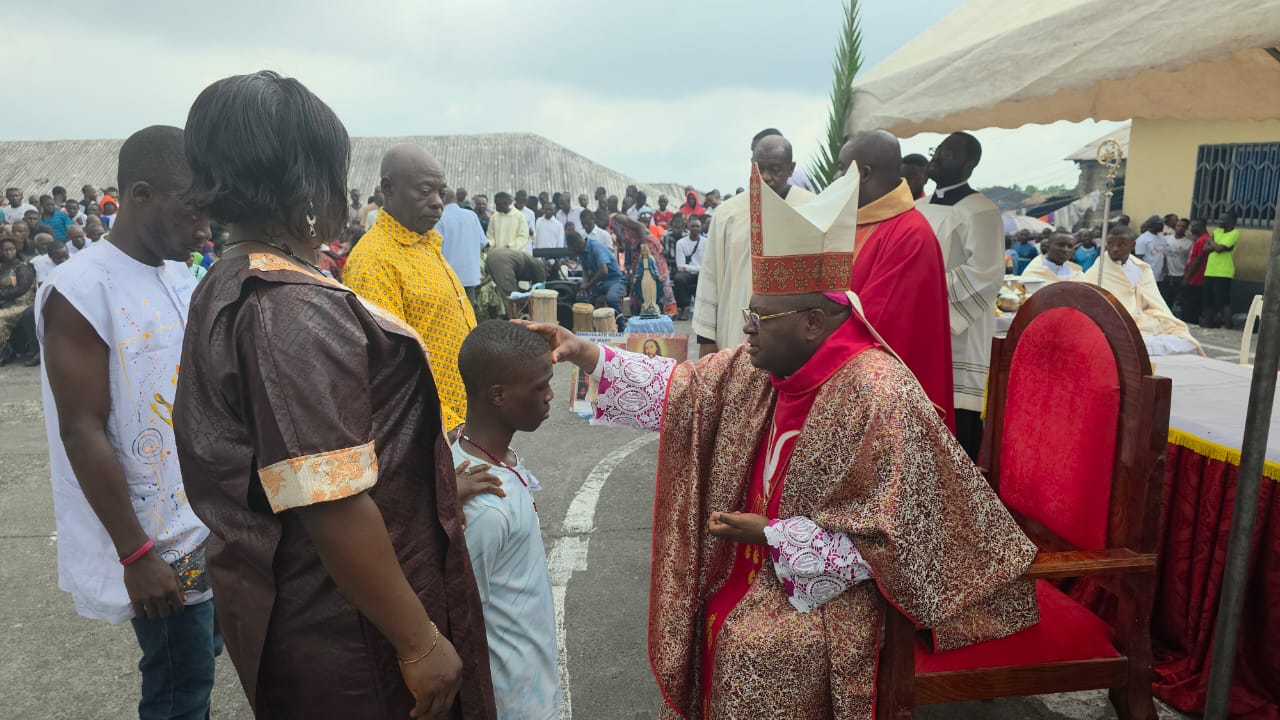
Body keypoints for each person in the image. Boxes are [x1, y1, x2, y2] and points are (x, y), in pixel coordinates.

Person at [520, 166, 1037, 720]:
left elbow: (894, 540)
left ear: (814, 322)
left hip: (831, 588)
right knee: (698, 607)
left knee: (755, 651)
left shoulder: (878, 395)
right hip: (752, 556)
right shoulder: (761, 365)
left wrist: (775, 534)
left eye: (760, 317)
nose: (746, 330)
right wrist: (586, 353)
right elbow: (684, 389)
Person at [172, 71, 496, 720]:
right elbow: (329, 499)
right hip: (349, 630)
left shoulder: (238, 279)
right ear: (308, 183)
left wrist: (423, 481)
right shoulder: (288, 308)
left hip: (313, 611)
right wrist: (419, 639)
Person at [36, 125, 218, 720]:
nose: (204, 230)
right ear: (140, 195)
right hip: (156, 544)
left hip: (203, 526)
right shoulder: (83, 289)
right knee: (177, 696)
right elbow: (81, 429)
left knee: (199, 671)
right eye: (193, 213)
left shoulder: (179, 275)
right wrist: (136, 554)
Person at [453, 321, 559, 720]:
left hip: (530, 679)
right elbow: (464, 618)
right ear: (498, 395)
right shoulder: (484, 505)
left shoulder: (480, 453)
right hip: (512, 699)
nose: (550, 396)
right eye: (539, 387)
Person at [344, 144, 479, 434]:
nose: (437, 203)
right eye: (424, 191)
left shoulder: (425, 244)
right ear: (388, 189)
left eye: (441, 194)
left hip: (465, 417)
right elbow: (390, 369)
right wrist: (449, 424)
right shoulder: (374, 262)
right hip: (434, 431)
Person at [842, 130, 955, 431]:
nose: (837, 179)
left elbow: (877, 323)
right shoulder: (855, 221)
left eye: (842, 170)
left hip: (884, 398)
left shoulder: (910, 234)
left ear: (864, 173)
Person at [916, 131, 1004, 461]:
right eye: (936, 150)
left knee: (955, 426)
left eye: (948, 153)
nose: (936, 157)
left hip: (958, 333)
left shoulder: (981, 211)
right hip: (919, 326)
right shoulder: (917, 207)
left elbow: (986, 272)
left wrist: (924, 292)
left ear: (969, 164)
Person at [693, 132, 815, 354]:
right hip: (736, 336)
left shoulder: (812, 210)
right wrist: (707, 343)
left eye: (775, 169)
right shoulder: (726, 215)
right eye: (760, 169)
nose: (766, 177)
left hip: (795, 344)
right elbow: (710, 282)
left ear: (790, 168)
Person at [1078, 224, 1203, 356]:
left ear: (1133, 245)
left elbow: (1154, 301)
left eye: (1121, 245)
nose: (1114, 249)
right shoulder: (1099, 268)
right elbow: (1088, 300)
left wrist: (1149, 315)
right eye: (1110, 244)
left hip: (1144, 318)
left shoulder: (1142, 268)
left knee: (1183, 338)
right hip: (1114, 320)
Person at [437, 187, 490, 310]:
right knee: (469, 313)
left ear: (442, 198)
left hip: (448, 276)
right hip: (470, 275)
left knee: (450, 314)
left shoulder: (440, 218)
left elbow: (435, 247)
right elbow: (483, 243)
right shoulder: (471, 215)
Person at [567, 229, 625, 317]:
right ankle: (589, 327)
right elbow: (585, 271)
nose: (571, 251)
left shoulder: (595, 247)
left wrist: (588, 285)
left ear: (576, 244)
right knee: (581, 299)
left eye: (571, 248)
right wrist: (584, 285)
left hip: (615, 280)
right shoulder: (581, 252)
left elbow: (603, 271)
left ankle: (621, 325)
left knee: (611, 299)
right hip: (599, 283)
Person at [0, 236, 35, 364]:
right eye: (4, 250)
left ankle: (4, 353)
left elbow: (22, 288)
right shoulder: (2, 266)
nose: (8, 252)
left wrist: (2, 294)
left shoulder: (22, 266)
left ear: (16, 250)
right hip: (6, 302)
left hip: (22, 304)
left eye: (11, 249)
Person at [1202, 211, 1239, 329]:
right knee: (1208, 299)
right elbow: (1205, 248)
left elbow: (1218, 248)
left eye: (1223, 220)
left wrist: (1211, 242)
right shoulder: (1217, 232)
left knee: (1223, 301)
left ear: (1231, 221)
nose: (1220, 222)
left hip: (1223, 272)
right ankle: (1208, 324)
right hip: (1210, 270)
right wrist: (1214, 245)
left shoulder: (1234, 233)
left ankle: (1228, 325)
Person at [673, 215, 706, 321]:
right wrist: (698, 268)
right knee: (679, 278)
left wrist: (691, 268)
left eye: (697, 226)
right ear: (688, 227)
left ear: (701, 228)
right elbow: (680, 266)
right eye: (693, 226)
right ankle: (685, 308)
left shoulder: (706, 242)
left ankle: (705, 311)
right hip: (688, 274)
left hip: (701, 273)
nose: (695, 228)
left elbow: (707, 264)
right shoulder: (681, 243)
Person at [1181, 219, 1210, 324]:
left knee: (1189, 302)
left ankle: (1188, 322)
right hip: (1199, 277)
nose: (1190, 229)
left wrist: (1187, 277)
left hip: (1195, 278)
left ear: (1199, 226)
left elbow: (1197, 260)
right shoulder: (1205, 238)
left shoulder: (1201, 240)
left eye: (1192, 226)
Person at [1163, 217, 1194, 307]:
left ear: (1186, 228)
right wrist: (1164, 271)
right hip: (1168, 275)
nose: (1180, 228)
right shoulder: (1167, 239)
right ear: (1175, 226)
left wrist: (1186, 277)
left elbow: (1189, 262)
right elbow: (1163, 256)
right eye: (1178, 225)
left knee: (1177, 299)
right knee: (1165, 299)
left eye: (1183, 226)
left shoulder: (1189, 243)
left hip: (1180, 275)